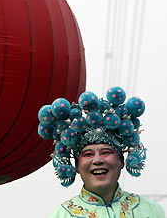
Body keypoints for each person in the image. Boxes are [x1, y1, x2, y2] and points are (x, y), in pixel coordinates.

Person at [37, 87, 166, 218]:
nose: (97, 160)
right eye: (88, 154)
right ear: (76, 166)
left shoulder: (152, 211)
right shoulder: (60, 215)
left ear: (122, 161)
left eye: (106, 152)